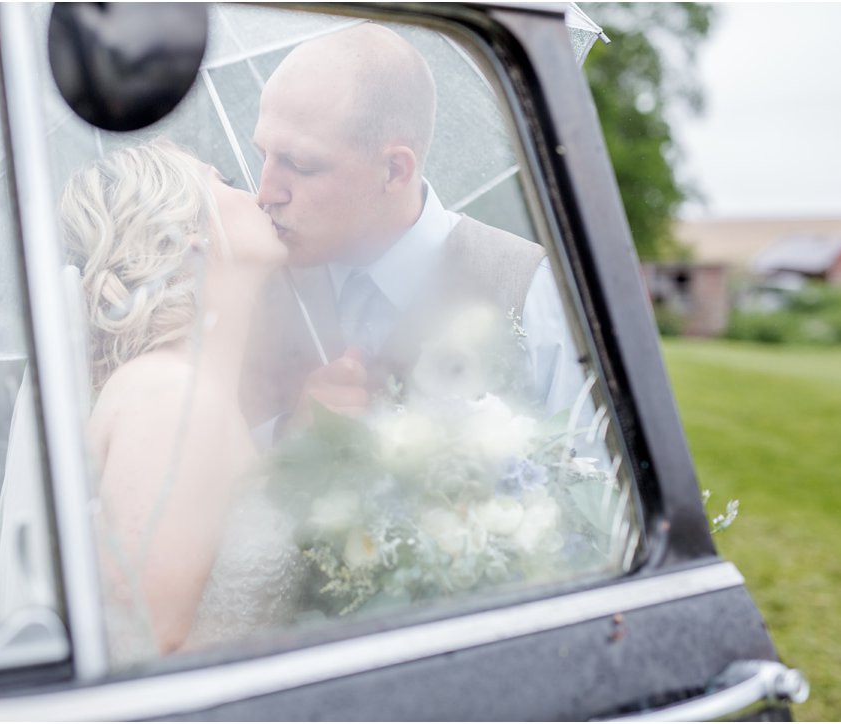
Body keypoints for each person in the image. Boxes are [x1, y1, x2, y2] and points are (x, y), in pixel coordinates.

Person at [242, 24, 595, 446]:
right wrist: (288, 434)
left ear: (394, 170)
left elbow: (590, 483)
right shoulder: (247, 286)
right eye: (263, 156)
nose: (265, 193)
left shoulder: (527, 287)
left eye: (300, 164)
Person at [58, 140, 304, 664]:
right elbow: (141, 654)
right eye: (224, 182)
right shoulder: (172, 399)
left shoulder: (189, 392)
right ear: (189, 236)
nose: (257, 193)